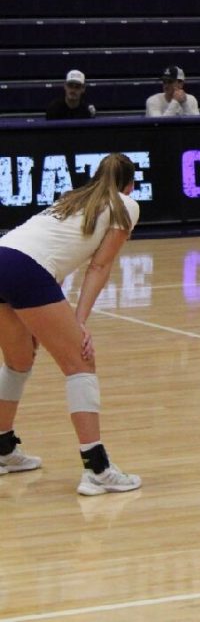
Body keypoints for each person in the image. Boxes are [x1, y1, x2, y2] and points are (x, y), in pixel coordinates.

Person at [0, 153, 142, 495]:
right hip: (25, 269)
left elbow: (52, 257)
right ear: (129, 184)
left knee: (18, 362)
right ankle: (97, 468)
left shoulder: (74, 198)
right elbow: (99, 267)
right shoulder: (126, 204)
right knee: (81, 361)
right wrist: (79, 323)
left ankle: (3, 450)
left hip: (3, 256)